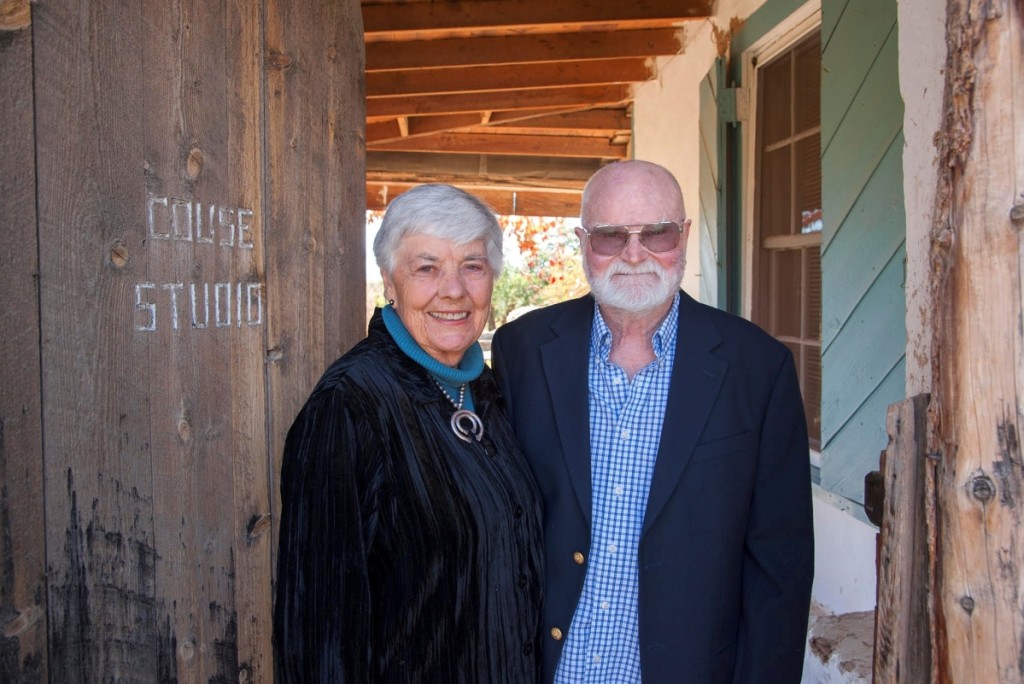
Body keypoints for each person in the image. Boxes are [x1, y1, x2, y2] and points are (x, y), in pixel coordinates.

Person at [491, 160, 814, 683]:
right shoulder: (522, 350)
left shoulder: (757, 366)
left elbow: (780, 564)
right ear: (582, 242)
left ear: (684, 236)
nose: (634, 254)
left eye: (657, 233)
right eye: (610, 236)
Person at [273, 183, 543, 682]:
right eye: (427, 267)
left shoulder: (487, 390)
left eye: (473, 265)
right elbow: (319, 632)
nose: (454, 289)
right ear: (389, 282)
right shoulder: (350, 405)